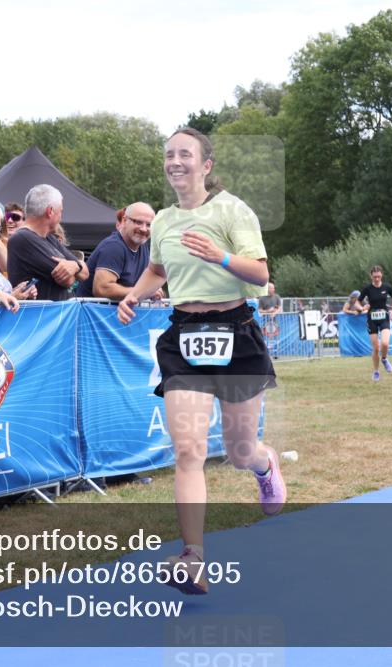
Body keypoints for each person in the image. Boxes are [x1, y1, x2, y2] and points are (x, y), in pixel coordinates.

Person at [117, 127, 284, 595]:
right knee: (188, 450)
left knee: (238, 451)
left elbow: (260, 272)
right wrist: (132, 296)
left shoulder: (233, 210)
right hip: (184, 336)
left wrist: (221, 256)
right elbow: (157, 269)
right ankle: (193, 557)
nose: (175, 161)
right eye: (169, 154)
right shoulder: (165, 219)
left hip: (236, 331)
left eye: (184, 154)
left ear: (205, 165)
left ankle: (264, 465)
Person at [7, 185, 89, 301]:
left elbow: (85, 273)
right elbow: (69, 281)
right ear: (50, 211)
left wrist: (76, 265)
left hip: (54, 316)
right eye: (60, 211)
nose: (61, 216)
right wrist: (76, 267)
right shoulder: (23, 238)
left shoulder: (49, 237)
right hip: (39, 316)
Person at [76, 202, 157, 300]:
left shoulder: (143, 247)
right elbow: (101, 289)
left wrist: (155, 288)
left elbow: (146, 283)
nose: (144, 229)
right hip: (93, 313)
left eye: (149, 224)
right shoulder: (114, 247)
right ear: (124, 220)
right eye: (138, 222)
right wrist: (143, 292)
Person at [358, 265, 392, 381]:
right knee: (376, 348)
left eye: (379, 276)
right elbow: (357, 302)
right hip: (371, 319)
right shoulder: (367, 289)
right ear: (371, 276)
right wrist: (362, 308)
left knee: (385, 343)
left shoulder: (387, 287)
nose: (376, 279)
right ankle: (376, 371)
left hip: (384, 317)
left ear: (382, 275)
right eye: (375, 277)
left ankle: (384, 359)